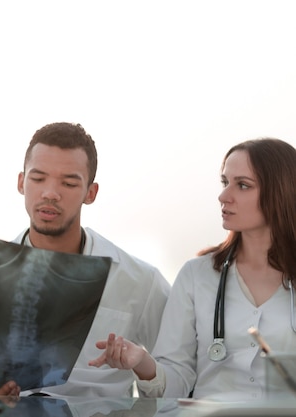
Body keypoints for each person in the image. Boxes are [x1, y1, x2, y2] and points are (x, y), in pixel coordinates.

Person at [0, 122, 171, 399]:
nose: (50, 193)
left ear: (91, 192)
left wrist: (144, 367)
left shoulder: (140, 281)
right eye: (38, 179)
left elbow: (180, 380)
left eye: (68, 183)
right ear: (21, 182)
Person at [89, 138, 296, 401]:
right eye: (225, 182)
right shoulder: (197, 276)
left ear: (281, 192)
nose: (224, 196)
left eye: (242, 185)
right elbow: (177, 381)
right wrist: (143, 362)